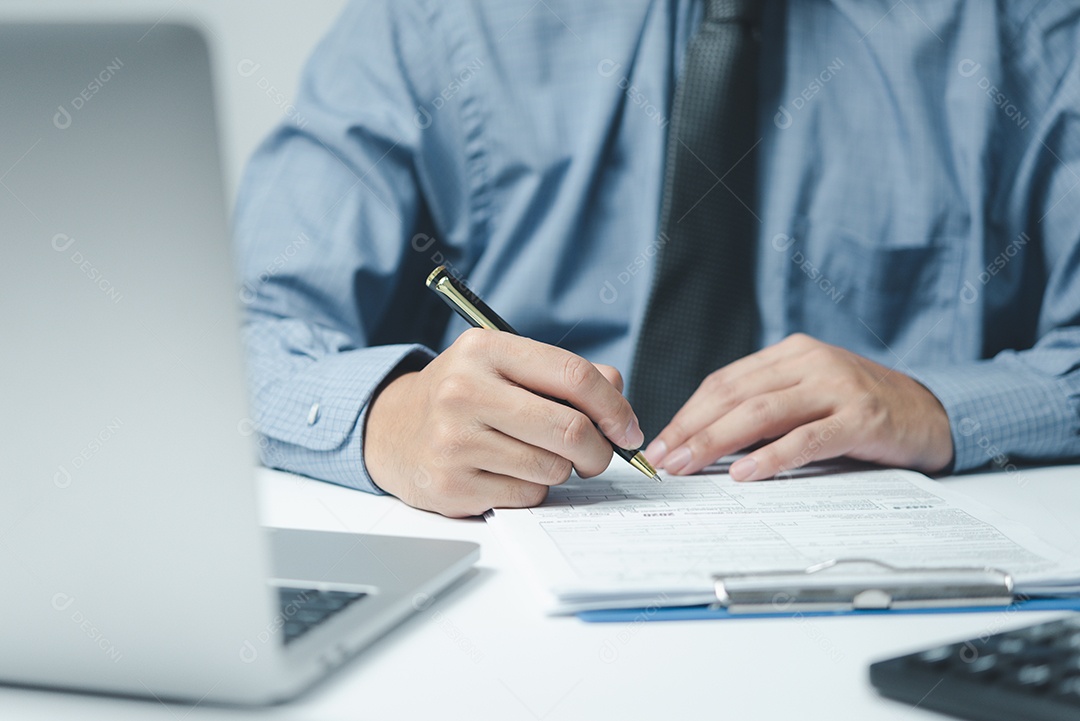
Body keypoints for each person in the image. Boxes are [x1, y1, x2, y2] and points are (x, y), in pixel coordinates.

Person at [234, 0, 1080, 518]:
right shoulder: (432, 19)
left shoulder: (1030, 28)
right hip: (511, 602)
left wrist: (939, 408)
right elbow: (228, 330)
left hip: (885, 598)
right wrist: (388, 417)